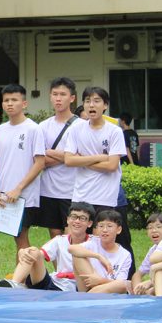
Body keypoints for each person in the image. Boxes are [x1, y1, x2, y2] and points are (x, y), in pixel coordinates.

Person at [0, 83, 45, 285]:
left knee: (20, 239)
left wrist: (18, 188)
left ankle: (20, 282)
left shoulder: (33, 129)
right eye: (6, 100)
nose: (10, 104)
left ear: (24, 103)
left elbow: (40, 162)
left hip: (22, 196)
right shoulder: (0, 130)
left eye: (14, 100)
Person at [63, 86, 131, 258]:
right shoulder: (76, 129)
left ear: (105, 105)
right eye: (87, 101)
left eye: (96, 101)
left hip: (105, 198)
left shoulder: (114, 131)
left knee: (107, 242)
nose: (91, 105)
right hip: (81, 196)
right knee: (80, 241)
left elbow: (112, 166)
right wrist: (100, 157)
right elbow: (69, 160)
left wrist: (83, 159)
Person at [0, 202, 95, 292]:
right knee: (32, 252)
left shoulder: (95, 242)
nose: (77, 221)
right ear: (68, 219)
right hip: (56, 283)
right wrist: (23, 252)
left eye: (82, 218)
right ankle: (14, 284)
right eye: (74, 217)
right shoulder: (60, 240)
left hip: (80, 286)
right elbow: (38, 255)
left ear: (89, 223)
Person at [37, 77, 80, 238]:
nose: (58, 98)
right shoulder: (43, 126)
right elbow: (39, 160)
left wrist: (49, 151)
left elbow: (80, 156)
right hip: (48, 190)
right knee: (54, 235)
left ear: (72, 98)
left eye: (63, 94)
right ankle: (60, 265)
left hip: (73, 191)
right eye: (55, 94)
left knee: (72, 234)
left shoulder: (80, 126)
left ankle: (72, 265)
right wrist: (67, 155)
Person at [69, 209, 132, 294]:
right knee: (77, 255)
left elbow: (120, 283)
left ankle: (89, 297)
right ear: (97, 229)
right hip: (88, 287)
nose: (104, 230)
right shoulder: (93, 243)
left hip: (108, 291)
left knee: (122, 285)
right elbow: (71, 249)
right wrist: (99, 256)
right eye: (101, 226)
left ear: (118, 229)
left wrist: (100, 281)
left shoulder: (125, 254)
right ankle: (90, 296)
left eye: (109, 226)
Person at [130, 212, 162, 295]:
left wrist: (150, 283)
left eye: (158, 227)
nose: (154, 230)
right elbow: (138, 274)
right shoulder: (153, 249)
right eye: (150, 228)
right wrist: (138, 288)